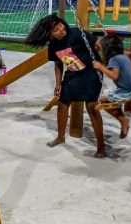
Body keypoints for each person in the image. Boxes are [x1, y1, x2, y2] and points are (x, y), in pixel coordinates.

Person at [25, 13, 106, 158]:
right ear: (50, 35)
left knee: (91, 106)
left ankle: (101, 147)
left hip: (91, 71)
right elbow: (58, 64)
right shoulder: (53, 46)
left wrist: (109, 49)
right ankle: (60, 137)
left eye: (60, 25)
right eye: (56, 29)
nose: (61, 29)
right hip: (72, 74)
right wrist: (58, 84)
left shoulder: (76, 34)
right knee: (62, 103)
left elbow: (98, 44)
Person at [92, 35, 131, 139]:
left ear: (107, 49)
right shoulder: (123, 56)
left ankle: (123, 121)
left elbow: (114, 75)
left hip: (127, 91)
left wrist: (100, 67)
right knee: (111, 100)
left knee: (103, 101)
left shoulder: (113, 59)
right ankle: (123, 119)